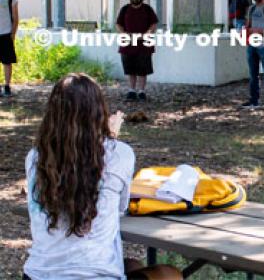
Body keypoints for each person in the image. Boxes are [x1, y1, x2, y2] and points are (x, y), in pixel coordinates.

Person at [23, 73, 182, 280]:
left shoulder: (35, 157)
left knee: (132, 264)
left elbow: (75, 168)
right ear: (99, 111)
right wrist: (111, 138)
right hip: (94, 275)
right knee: (170, 274)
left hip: (38, 274)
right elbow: (120, 208)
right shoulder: (120, 153)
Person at [116, 0, 158, 102]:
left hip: (144, 44)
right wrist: (124, 34)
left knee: (143, 69)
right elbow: (118, 24)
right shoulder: (124, 9)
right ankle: (132, 91)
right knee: (130, 68)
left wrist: (146, 34)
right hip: (128, 44)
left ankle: (142, 91)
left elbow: (154, 24)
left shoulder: (147, 9)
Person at [0, 0, 18, 97]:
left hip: (6, 34)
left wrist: (13, 33)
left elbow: (16, 18)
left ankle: (7, 86)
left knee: (7, 62)